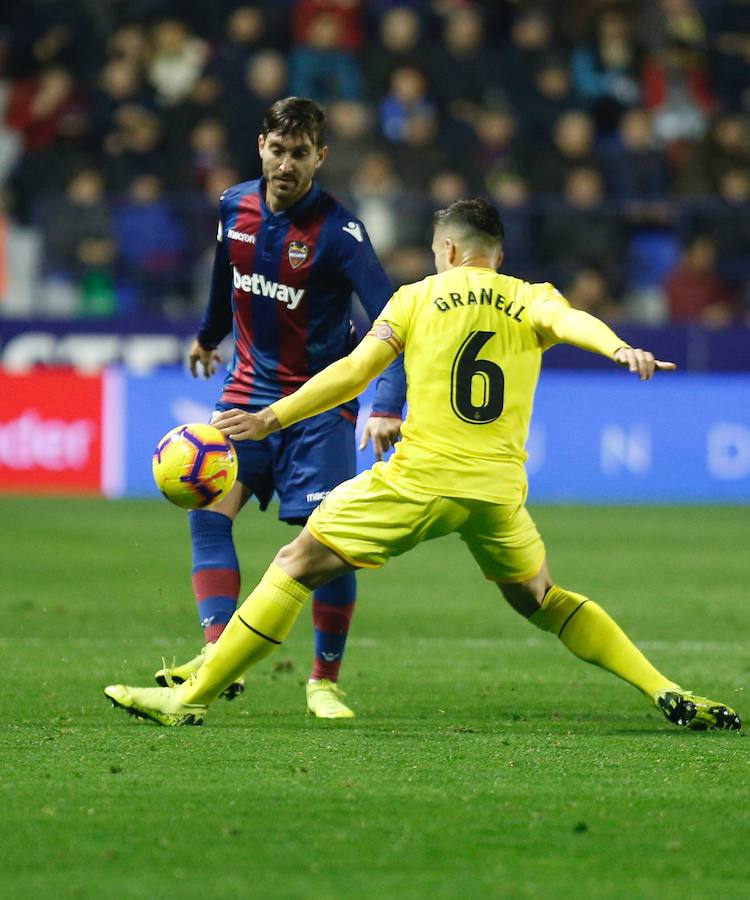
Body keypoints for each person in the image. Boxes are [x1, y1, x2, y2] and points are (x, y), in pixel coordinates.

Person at [106, 198, 741, 733]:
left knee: (294, 563)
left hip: (418, 480)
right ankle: (661, 688)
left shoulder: (415, 299)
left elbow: (353, 373)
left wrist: (270, 419)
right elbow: (569, 321)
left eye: (440, 252)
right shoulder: (530, 298)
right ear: (496, 253)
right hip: (497, 494)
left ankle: (187, 700)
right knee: (541, 599)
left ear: (452, 252)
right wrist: (622, 348)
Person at [152, 96, 405, 719]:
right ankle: (218, 652)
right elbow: (226, 276)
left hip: (319, 406)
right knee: (208, 510)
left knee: (328, 541)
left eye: (299, 153)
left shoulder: (341, 234)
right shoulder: (232, 205)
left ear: (320, 156)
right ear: (260, 146)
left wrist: (386, 401)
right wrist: (210, 335)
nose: (285, 164)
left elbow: (396, 321)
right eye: (276, 149)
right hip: (245, 391)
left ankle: (323, 680)